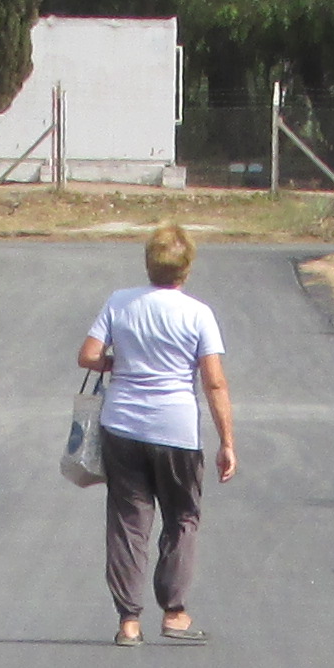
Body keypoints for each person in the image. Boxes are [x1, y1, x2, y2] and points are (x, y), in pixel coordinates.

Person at [77, 225, 235, 644]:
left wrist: (117, 364)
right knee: (182, 517)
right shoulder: (198, 314)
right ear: (187, 268)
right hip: (176, 430)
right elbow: (214, 382)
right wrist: (227, 442)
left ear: (149, 263)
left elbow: (89, 355)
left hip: (123, 426)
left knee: (129, 521)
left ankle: (129, 620)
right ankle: (174, 611)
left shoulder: (120, 302)